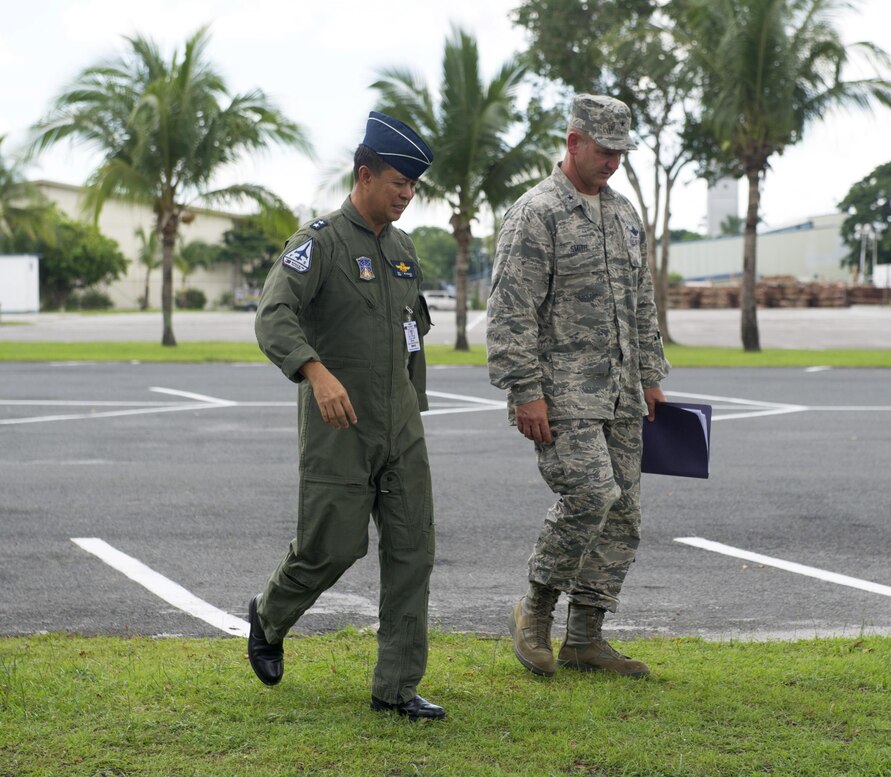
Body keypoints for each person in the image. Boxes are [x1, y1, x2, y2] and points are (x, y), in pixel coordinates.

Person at [246, 111, 445, 721]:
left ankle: (396, 687)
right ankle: (271, 614)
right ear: (364, 175)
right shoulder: (321, 243)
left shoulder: (404, 248)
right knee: (330, 547)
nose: (407, 196)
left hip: (400, 426)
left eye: (413, 187)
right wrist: (316, 372)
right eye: (397, 184)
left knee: (414, 550)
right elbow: (272, 315)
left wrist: (413, 404)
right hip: (340, 429)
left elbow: (412, 329)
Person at [487, 94, 669, 679]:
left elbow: (643, 303)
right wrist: (524, 391)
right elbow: (510, 310)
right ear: (573, 142)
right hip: (561, 394)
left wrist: (651, 377)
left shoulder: (623, 215)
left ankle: (586, 636)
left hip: (619, 393)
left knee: (624, 515)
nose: (614, 161)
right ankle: (534, 610)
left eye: (621, 151)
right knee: (592, 496)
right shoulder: (537, 212)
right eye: (604, 149)